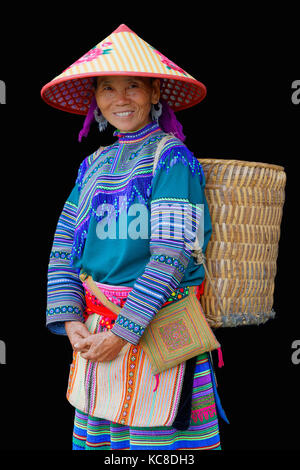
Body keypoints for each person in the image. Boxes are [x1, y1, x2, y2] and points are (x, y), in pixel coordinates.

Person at [42, 24, 227, 451]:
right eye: (107, 88)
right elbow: (64, 246)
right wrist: (71, 321)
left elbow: (173, 253)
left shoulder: (171, 157)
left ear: (155, 92)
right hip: (95, 330)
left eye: (133, 86)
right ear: (96, 98)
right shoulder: (92, 165)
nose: (120, 98)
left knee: (159, 447)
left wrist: (123, 333)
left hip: (156, 327)